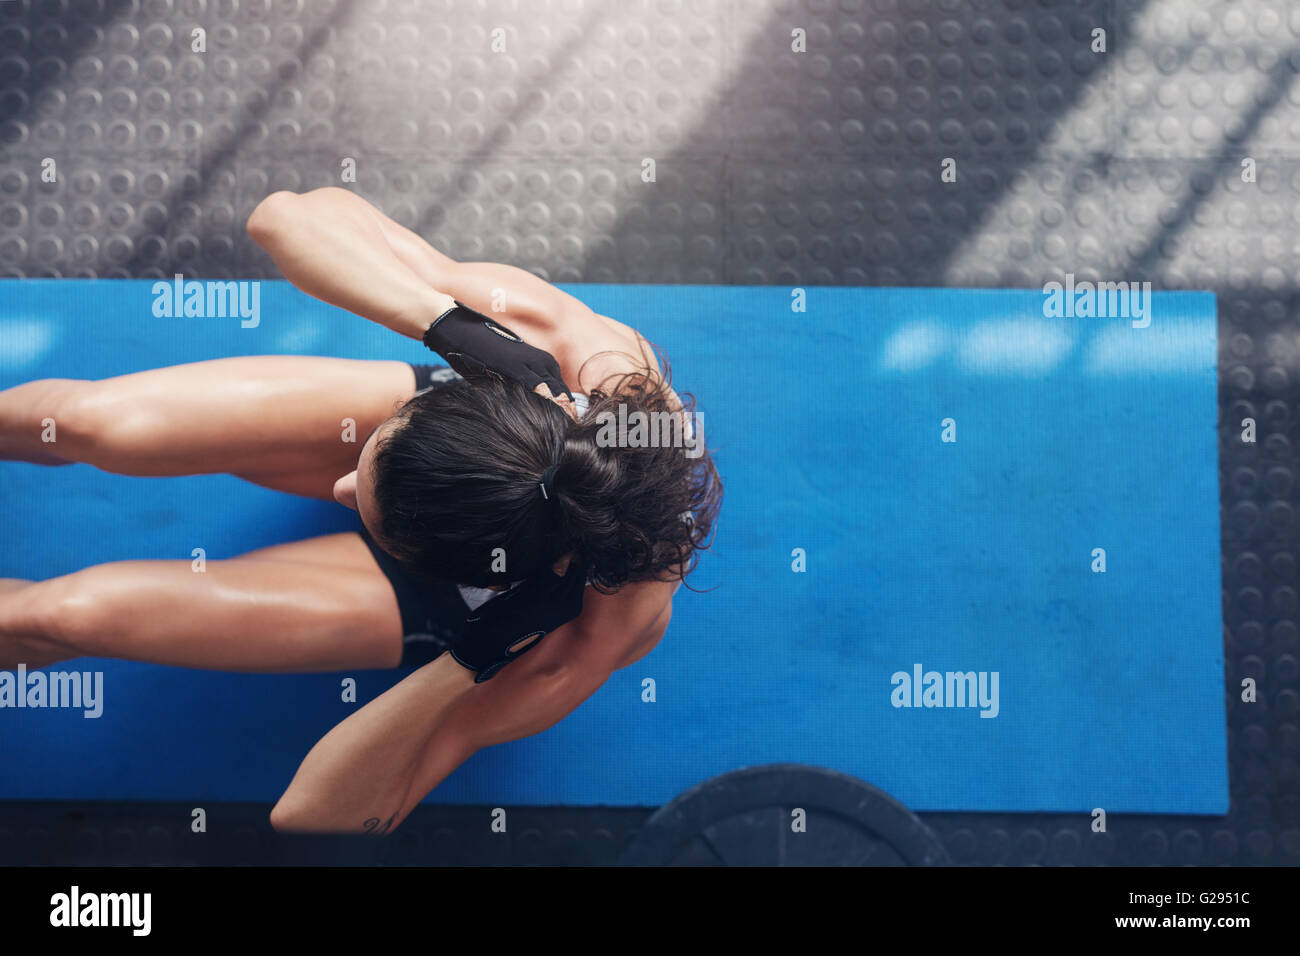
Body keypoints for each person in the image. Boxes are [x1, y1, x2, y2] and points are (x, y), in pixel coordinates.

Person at [0, 187, 721, 833]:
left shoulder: (576, 643)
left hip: (433, 594)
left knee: (63, 617)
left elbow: (316, 816)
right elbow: (286, 217)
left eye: (360, 497)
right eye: (364, 470)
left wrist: (467, 661)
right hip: (448, 453)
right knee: (94, 422)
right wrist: (446, 323)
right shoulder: (571, 353)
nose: (341, 488)